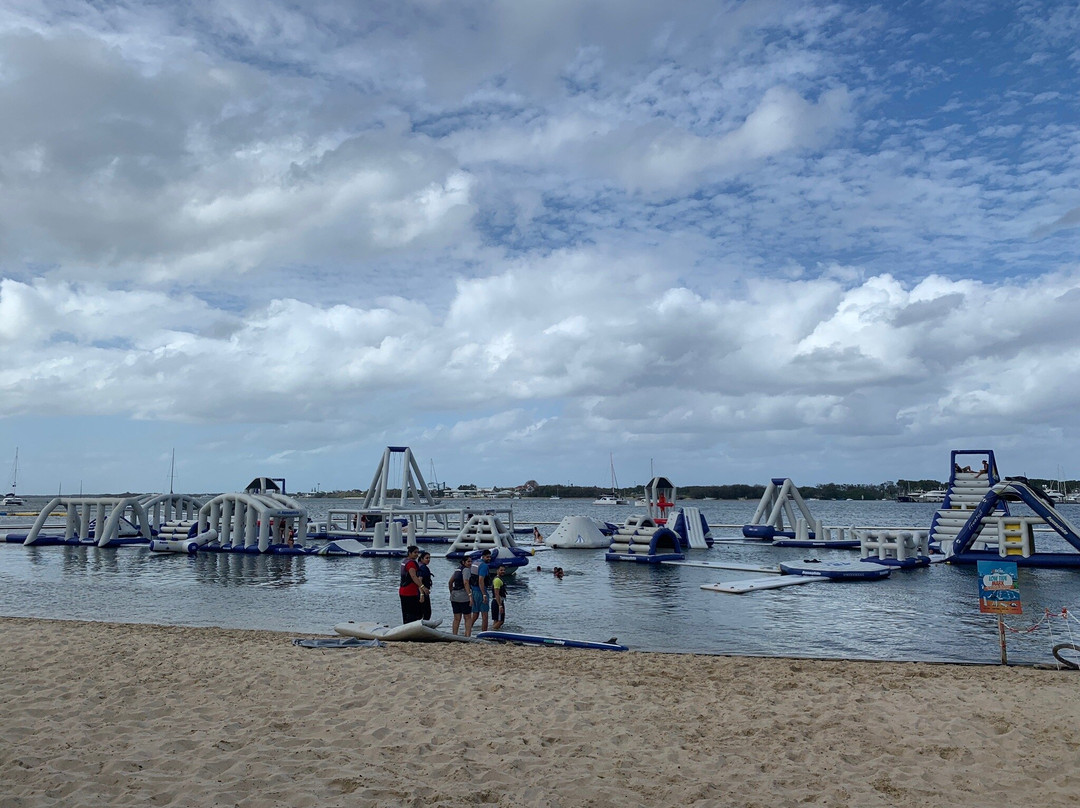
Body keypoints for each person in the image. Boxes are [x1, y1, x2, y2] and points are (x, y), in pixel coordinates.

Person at [398, 545, 425, 624]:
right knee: (412, 613)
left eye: (418, 552)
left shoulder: (404, 561)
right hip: (410, 592)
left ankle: (405, 627)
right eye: (415, 552)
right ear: (409, 553)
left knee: (405, 613)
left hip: (402, 590)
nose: (417, 554)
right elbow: (414, 576)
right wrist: (423, 587)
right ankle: (411, 629)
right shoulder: (411, 564)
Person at [448, 556, 473, 635]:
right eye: (468, 561)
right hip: (463, 596)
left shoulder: (457, 569)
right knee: (468, 617)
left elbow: (450, 582)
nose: (470, 563)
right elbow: (466, 582)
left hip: (454, 596)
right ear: (463, 562)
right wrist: (470, 595)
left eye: (470, 561)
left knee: (456, 618)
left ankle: (454, 635)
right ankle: (467, 635)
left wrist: (451, 592)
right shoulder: (466, 570)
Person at [469, 549, 491, 632]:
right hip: (480, 592)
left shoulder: (475, 563)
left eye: (490, 557)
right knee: (485, 615)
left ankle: (467, 630)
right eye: (487, 557)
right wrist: (484, 594)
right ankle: (484, 633)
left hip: (473, 591)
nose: (489, 558)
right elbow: (481, 580)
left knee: (475, 614)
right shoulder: (484, 566)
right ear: (483, 557)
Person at [417, 551, 434, 621]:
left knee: (420, 611)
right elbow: (419, 580)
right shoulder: (423, 568)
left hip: (418, 592)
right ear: (421, 559)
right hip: (423, 592)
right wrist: (422, 593)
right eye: (426, 558)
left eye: (429, 558)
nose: (428, 560)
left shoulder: (418, 565)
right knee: (427, 612)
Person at [490, 565, 508, 630]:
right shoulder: (497, 580)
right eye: (501, 570)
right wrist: (500, 605)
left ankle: (494, 633)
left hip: (496, 602)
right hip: (497, 602)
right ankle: (492, 632)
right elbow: (496, 593)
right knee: (501, 621)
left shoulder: (499, 579)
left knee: (496, 620)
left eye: (504, 570)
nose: (503, 571)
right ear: (497, 571)